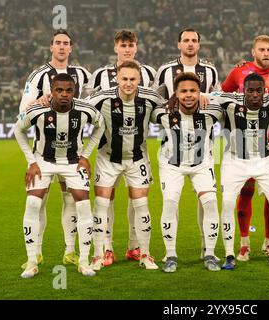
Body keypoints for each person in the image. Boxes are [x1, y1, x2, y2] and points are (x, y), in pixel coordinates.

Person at [15, 73, 104, 278]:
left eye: (68, 90)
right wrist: (32, 162)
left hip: (73, 163)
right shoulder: (36, 110)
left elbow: (101, 127)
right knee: (33, 204)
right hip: (43, 161)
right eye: (59, 90)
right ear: (52, 91)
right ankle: (31, 262)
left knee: (82, 203)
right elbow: (18, 130)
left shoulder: (85, 110)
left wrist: (85, 156)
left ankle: (83, 261)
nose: (64, 94)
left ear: (74, 91)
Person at [19, 29, 91, 269]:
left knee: (70, 199)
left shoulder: (81, 74)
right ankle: (35, 253)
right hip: (44, 151)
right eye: (58, 43)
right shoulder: (38, 75)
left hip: (73, 151)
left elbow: (90, 104)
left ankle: (71, 251)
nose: (62, 47)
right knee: (39, 200)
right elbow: (23, 110)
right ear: (51, 47)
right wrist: (38, 101)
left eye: (66, 43)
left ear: (71, 48)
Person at [85, 30, 157, 266]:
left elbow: (164, 107)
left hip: (138, 154)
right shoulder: (99, 78)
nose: (127, 48)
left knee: (139, 201)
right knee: (105, 201)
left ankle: (137, 248)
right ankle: (104, 249)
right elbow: (84, 108)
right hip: (108, 153)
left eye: (131, 45)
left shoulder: (149, 76)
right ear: (116, 47)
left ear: (136, 47)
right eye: (123, 45)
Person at [220, 35, 269, 261]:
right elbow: (223, 95)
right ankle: (244, 243)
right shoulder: (238, 72)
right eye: (261, 49)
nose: (266, 53)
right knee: (246, 191)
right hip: (242, 140)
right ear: (253, 51)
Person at [153, 28, 221, 260]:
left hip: (203, 152)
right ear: (179, 44)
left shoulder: (210, 70)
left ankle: (208, 250)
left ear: (199, 45)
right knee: (170, 203)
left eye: (194, 41)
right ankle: (169, 254)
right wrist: (168, 104)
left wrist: (208, 99)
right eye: (186, 40)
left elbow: (221, 96)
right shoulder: (165, 70)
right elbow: (154, 98)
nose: (190, 44)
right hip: (172, 151)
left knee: (209, 202)